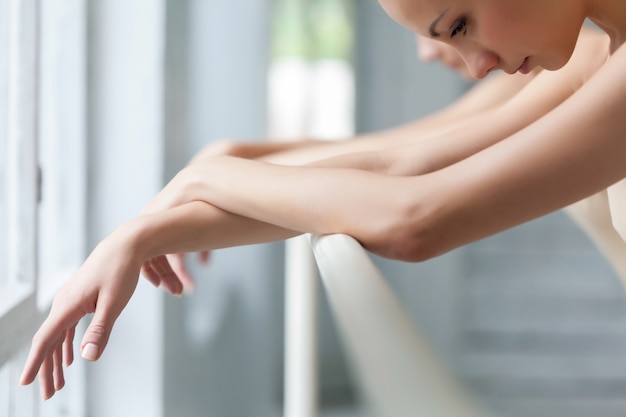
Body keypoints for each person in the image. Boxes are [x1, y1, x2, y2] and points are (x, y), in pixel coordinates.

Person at [20, 0, 626, 401]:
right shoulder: (603, 52)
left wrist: (208, 180)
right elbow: (400, 163)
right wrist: (153, 224)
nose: (473, 66)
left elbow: (418, 218)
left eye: (459, 23)